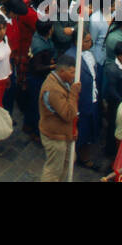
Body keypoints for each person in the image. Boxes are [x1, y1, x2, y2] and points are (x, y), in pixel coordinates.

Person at [39, 54, 80, 182]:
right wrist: (74, 93)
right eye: (72, 72)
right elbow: (68, 114)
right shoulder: (54, 89)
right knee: (53, 171)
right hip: (55, 136)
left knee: (68, 162)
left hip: (63, 133)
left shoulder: (62, 82)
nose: (74, 76)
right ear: (62, 71)